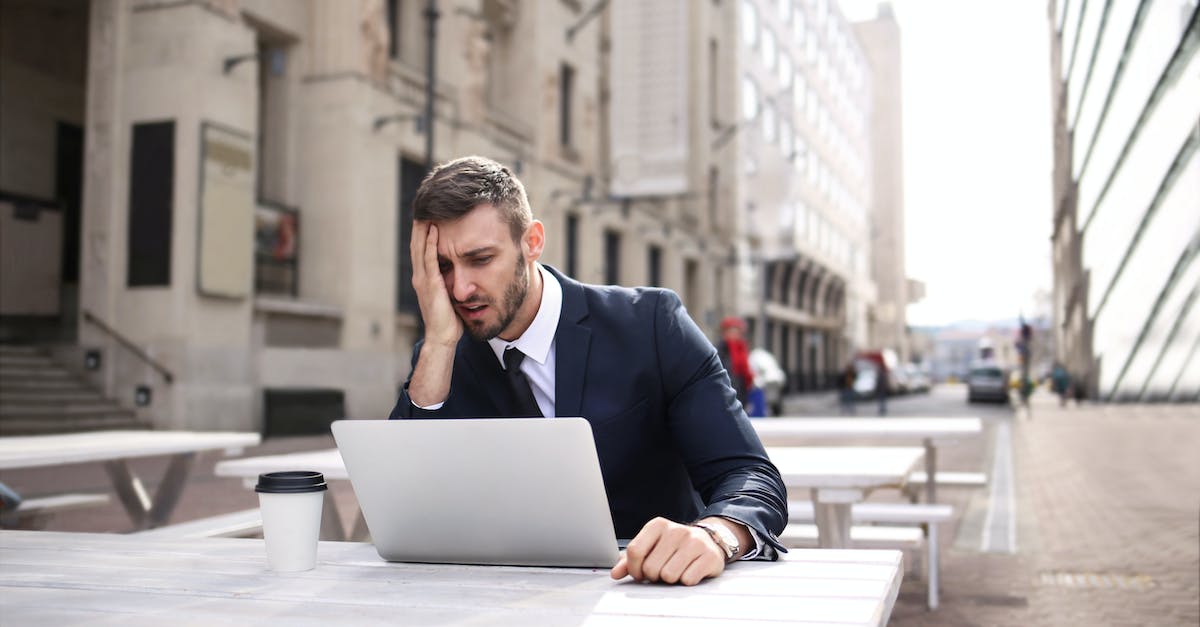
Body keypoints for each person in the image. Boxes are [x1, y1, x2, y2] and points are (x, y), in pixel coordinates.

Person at [390, 156, 787, 587]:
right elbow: (402, 505)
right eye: (442, 267)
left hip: (648, 595)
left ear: (532, 242)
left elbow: (750, 476)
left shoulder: (652, 325)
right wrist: (439, 343)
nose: (460, 289)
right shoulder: (442, 357)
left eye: (480, 259)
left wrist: (714, 536)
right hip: (495, 599)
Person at [716, 317, 755, 412]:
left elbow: (746, 369)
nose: (735, 334)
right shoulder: (721, 349)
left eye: (737, 331)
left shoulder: (742, 347)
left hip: (742, 389)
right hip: (728, 389)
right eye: (732, 331)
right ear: (725, 333)